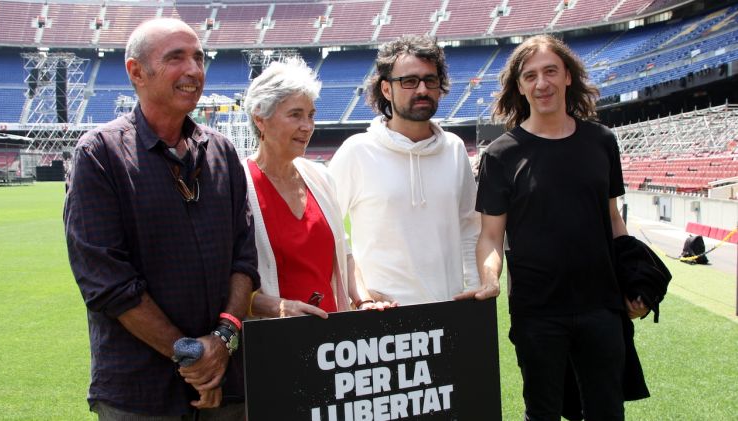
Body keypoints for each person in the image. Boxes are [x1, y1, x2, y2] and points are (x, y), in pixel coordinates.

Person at [63, 18, 259, 419]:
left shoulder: (221, 152)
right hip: (141, 392)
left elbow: (244, 260)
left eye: (199, 58)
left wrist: (221, 342)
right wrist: (191, 356)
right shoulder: (99, 155)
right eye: (176, 58)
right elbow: (108, 283)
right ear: (136, 71)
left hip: (227, 383)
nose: (193, 70)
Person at [473, 34, 649, 420]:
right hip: (537, 311)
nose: (542, 83)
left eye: (551, 71)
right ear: (519, 86)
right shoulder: (502, 154)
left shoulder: (602, 141)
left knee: (608, 411)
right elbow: (490, 235)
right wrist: (490, 278)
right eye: (531, 75)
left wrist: (633, 281)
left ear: (568, 75)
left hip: (601, 306)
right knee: (543, 413)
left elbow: (613, 219)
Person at [328, 35, 481, 305]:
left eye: (430, 80)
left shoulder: (455, 149)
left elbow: (470, 227)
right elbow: (328, 229)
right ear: (386, 89)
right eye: (409, 81)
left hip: (449, 310)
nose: (421, 89)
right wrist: (359, 291)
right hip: (384, 316)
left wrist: (476, 287)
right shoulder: (358, 151)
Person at [241, 58, 390, 318]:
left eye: (311, 115)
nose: (307, 126)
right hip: (273, 341)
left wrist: (364, 300)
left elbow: (346, 257)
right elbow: (224, 280)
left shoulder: (320, 178)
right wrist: (279, 308)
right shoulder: (239, 185)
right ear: (260, 119)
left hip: (329, 342)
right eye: (295, 115)